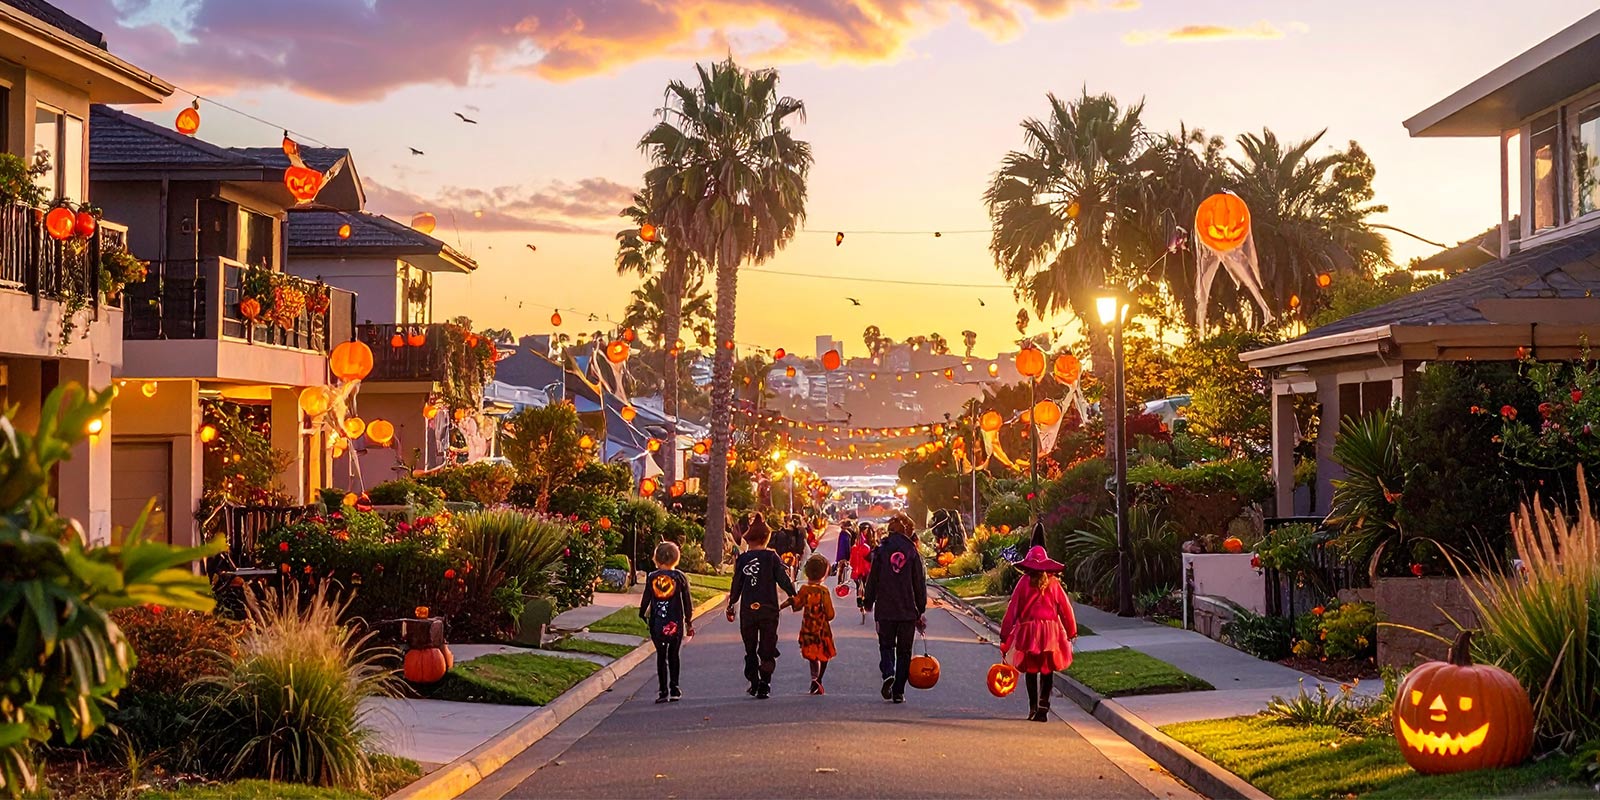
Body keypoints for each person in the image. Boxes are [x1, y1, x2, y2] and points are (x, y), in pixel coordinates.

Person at [999, 545, 1078, 722]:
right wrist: (1071, 630)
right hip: (1050, 633)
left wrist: (1005, 633)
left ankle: (1033, 707)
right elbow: (1065, 609)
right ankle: (1044, 705)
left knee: (1031, 670)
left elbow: (1013, 609)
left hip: (1029, 632)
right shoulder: (1054, 584)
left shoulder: (1023, 583)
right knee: (1047, 668)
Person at [726, 513, 796, 699]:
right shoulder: (772, 557)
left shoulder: (743, 559)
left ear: (748, 539)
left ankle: (753, 680)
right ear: (766, 538)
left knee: (750, 647)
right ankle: (765, 683)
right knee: (767, 646)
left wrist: (732, 603)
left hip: (748, 609)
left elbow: (737, 583)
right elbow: (783, 578)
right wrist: (792, 593)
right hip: (769, 608)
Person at [863, 514, 926, 704]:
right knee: (905, 651)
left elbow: (873, 578)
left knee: (886, 645)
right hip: (907, 609)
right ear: (907, 531)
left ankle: (888, 672)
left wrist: (868, 601)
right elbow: (918, 582)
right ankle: (898, 691)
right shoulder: (912, 552)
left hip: (885, 608)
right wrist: (920, 607)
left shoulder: (881, 551)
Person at [638, 541, 694, 703]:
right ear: (676, 558)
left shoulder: (652, 577)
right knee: (674, 655)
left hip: (657, 623)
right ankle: (674, 688)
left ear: (656, 558)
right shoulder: (680, 577)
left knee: (661, 656)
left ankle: (663, 691)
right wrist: (688, 619)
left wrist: (642, 614)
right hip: (675, 623)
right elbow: (687, 601)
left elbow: (646, 598)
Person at [789, 554, 838, 695]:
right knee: (824, 654)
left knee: (811, 654)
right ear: (824, 573)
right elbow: (830, 614)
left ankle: (814, 677)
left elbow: (797, 606)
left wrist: (792, 600)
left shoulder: (804, 589)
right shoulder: (824, 591)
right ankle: (819, 679)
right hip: (822, 629)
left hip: (808, 628)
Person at [849, 523, 877, 624]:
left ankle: (863, 603)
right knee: (864, 586)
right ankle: (864, 603)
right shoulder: (866, 544)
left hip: (861, 569)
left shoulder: (858, 544)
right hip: (865, 568)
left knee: (862, 586)